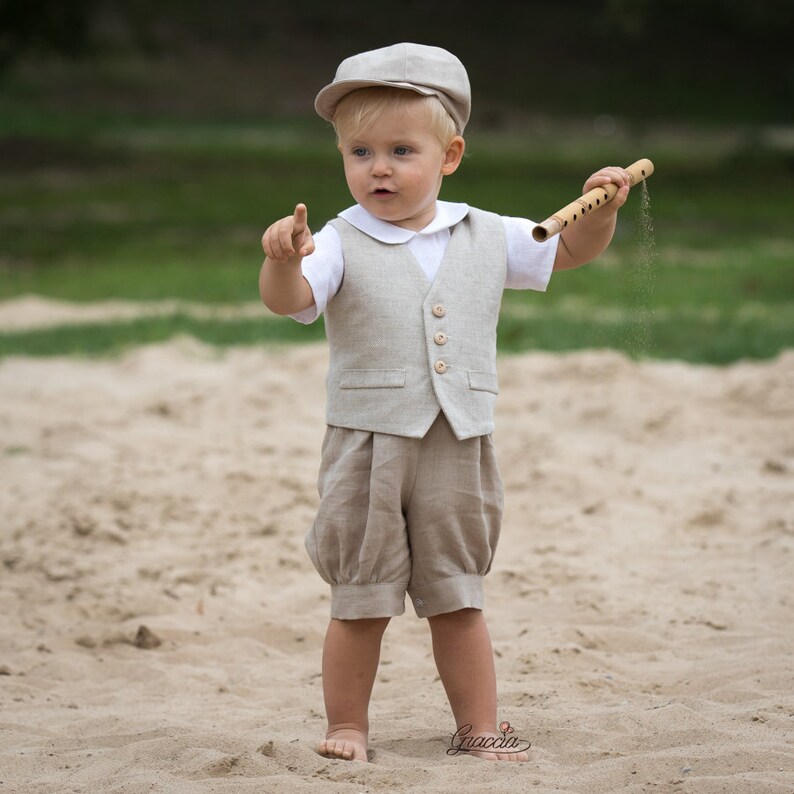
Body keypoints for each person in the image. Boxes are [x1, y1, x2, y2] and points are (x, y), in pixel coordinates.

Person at [259, 42, 631, 763]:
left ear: (450, 155)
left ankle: (479, 728)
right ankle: (348, 727)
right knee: (360, 594)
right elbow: (293, 301)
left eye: (402, 150)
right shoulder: (336, 240)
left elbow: (571, 251)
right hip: (369, 442)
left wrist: (600, 208)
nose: (379, 168)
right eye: (360, 151)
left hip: (459, 438)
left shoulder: (486, 232)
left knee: (458, 594)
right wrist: (280, 263)